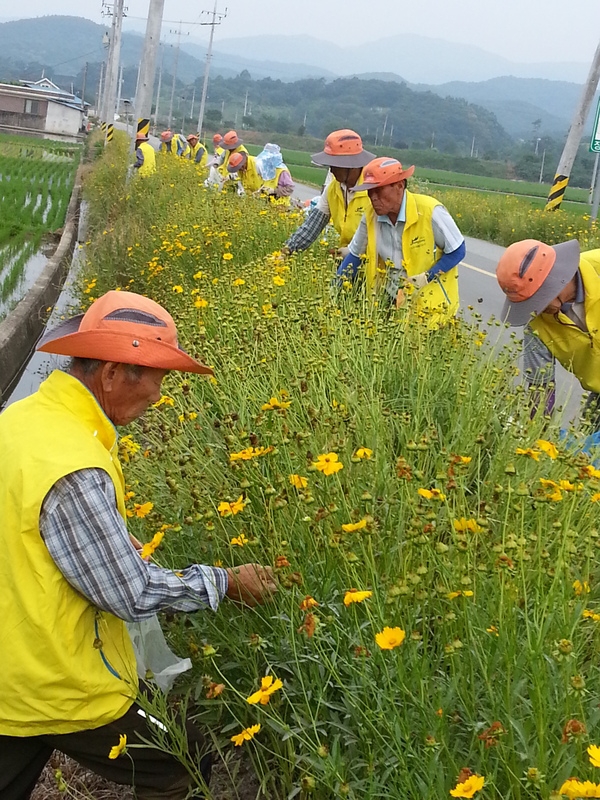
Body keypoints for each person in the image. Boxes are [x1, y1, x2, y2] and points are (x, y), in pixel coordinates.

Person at [0, 290, 277, 800]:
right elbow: (128, 593)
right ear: (110, 374)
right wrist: (226, 582)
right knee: (182, 760)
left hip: (10, 672)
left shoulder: (21, 420)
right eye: (155, 382)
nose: (157, 398)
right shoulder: (74, 465)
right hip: (57, 683)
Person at [337, 157, 466, 329]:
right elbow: (354, 256)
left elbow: (458, 250)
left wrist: (427, 276)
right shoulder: (370, 216)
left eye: (379, 190)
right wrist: (335, 290)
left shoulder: (429, 211)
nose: (373, 198)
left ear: (399, 186)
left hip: (431, 306)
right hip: (390, 300)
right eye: (369, 191)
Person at [496, 238, 600, 425]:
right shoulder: (536, 327)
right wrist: (536, 438)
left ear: (554, 281)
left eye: (537, 301)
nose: (536, 310)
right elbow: (540, 388)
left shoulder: (596, 266)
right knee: (586, 447)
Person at [283, 129, 375, 256]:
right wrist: (286, 252)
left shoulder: (374, 188)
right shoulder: (332, 189)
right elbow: (312, 226)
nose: (332, 171)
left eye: (336, 166)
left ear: (352, 165)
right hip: (349, 260)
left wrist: (351, 252)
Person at [226, 149, 294, 204]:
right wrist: (261, 191)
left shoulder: (282, 171)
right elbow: (264, 184)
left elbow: (290, 188)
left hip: (280, 205)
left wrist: (274, 190)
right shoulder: (267, 170)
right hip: (268, 203)